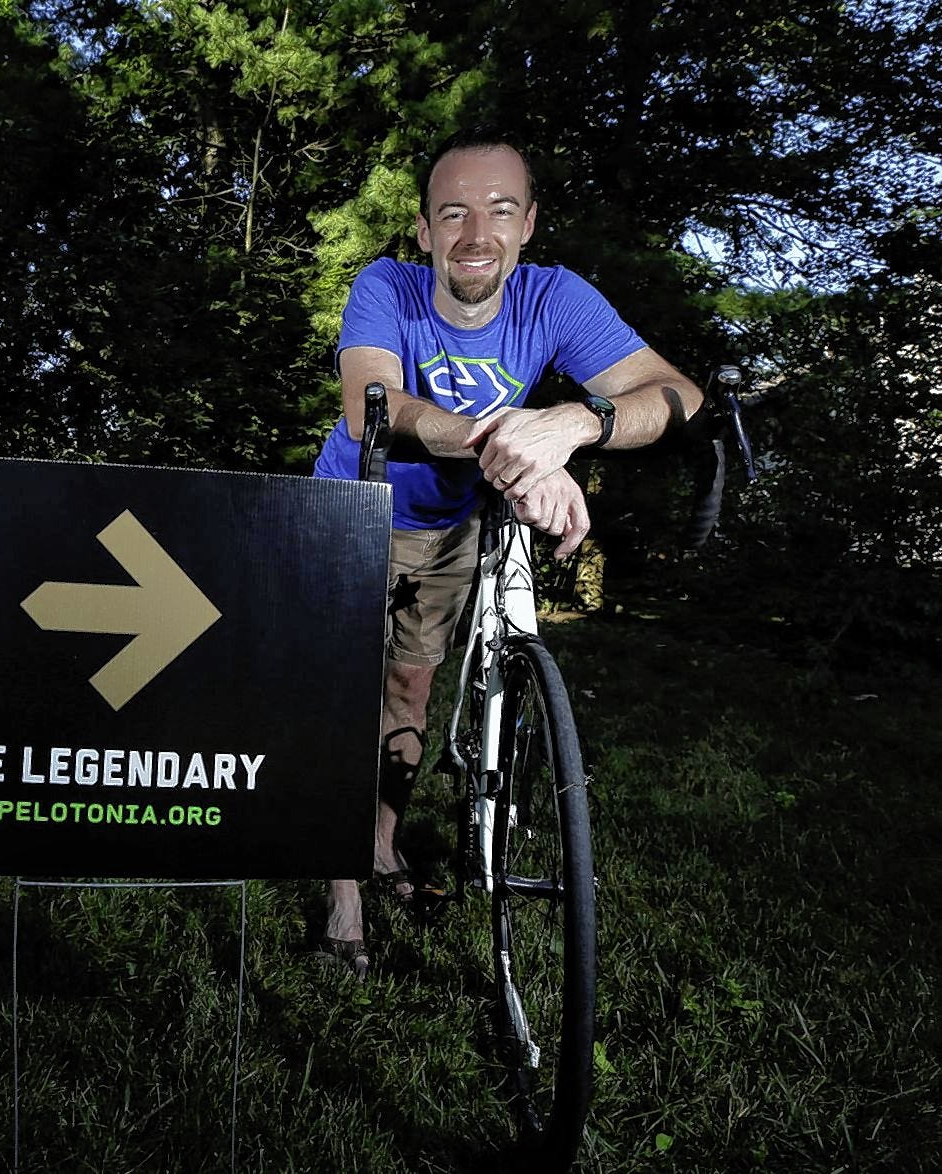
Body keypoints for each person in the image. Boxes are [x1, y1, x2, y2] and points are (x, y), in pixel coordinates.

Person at [312, 127, 701, 975]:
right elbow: (368, 404)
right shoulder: (385, 285)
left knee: (411, 684)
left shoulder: (555, 298)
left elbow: (676, 391)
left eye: (497, 211)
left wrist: (572, 424)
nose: (474, 235)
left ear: (528, 223)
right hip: (356, 506)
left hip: (452, 523)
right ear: (422, 231)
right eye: (452, 213)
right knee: (343, 694)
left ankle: (378, 849)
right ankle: (339, 891)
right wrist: (513, 449)